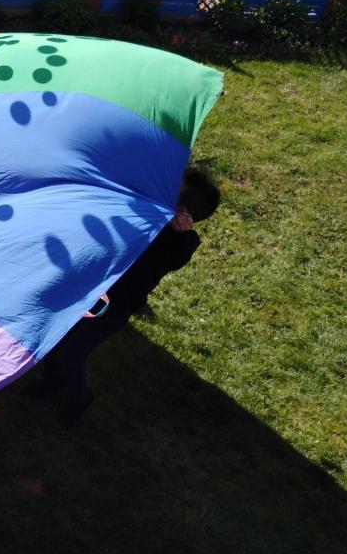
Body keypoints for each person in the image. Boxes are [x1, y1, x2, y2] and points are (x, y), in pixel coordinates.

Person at [31, 167, 221, 427]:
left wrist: (181, 235)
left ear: (181, 211)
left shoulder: (178, 241)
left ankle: (79, 397)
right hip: (92, 289)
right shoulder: (145, 211)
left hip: (115, 308)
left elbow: (176, 258)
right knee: (58, 339)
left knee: (72, 355)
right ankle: (51, 382)